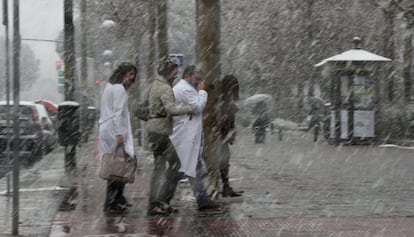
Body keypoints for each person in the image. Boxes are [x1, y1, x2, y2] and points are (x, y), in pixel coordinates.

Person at [170, 65, 221, 211]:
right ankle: (162, 200)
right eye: (197, 79)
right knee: (180, 171)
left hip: (189, 136)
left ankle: (202, 199)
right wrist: (203, 91)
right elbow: (198, 106)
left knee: (193, 168)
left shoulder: (186, 88)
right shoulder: (185, 89)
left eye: (201, 80)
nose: (199, 82)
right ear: (188, 76)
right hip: (185, 137)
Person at [146, 59, 193, 216]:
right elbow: (171, 109)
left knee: (162, 167)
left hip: (155, 131)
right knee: (172, 166)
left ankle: (160, 202)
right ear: (168, 72)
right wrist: (189, 108)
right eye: (174, 72)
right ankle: (159, 202)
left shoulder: (156, 84)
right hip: (160, 133)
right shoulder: (165, 88)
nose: (176, 75)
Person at [98, 62, 137, 213]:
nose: (132, 79)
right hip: (114, 131)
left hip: (106, 129)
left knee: (115, 165)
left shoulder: (110, 87)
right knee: (119, 167)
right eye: (130, 74)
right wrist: (119, 135)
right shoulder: (119, 88)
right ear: (122, 74)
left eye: (133, 75)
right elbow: (117, 113)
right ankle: (112, 201)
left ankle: (116, 199)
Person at [218, 75, 242, 197]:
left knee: (224, 161)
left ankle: (225, 186)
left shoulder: (225, 99)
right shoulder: (223, 100)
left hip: (222, 137)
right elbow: (224, 120)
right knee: (224, 161)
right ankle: (225, 186)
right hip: (220, 137)